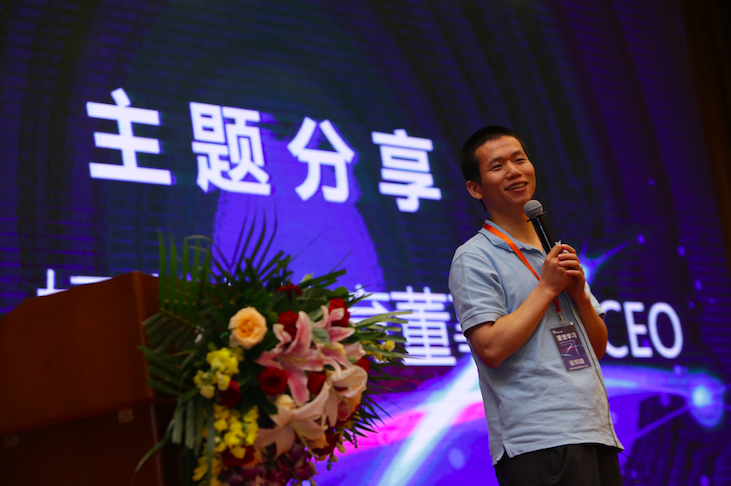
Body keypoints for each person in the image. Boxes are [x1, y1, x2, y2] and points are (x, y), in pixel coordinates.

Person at [448, 126, 623, 485]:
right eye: (498, 166)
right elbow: (490, 348)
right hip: (538, 441)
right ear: (475, 188)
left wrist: (578, 296)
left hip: (595, 430)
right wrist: (546, 289)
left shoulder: (555, 253)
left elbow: (597, 348)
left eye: (519, 160)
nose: (514, 171)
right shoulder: (474, 257)